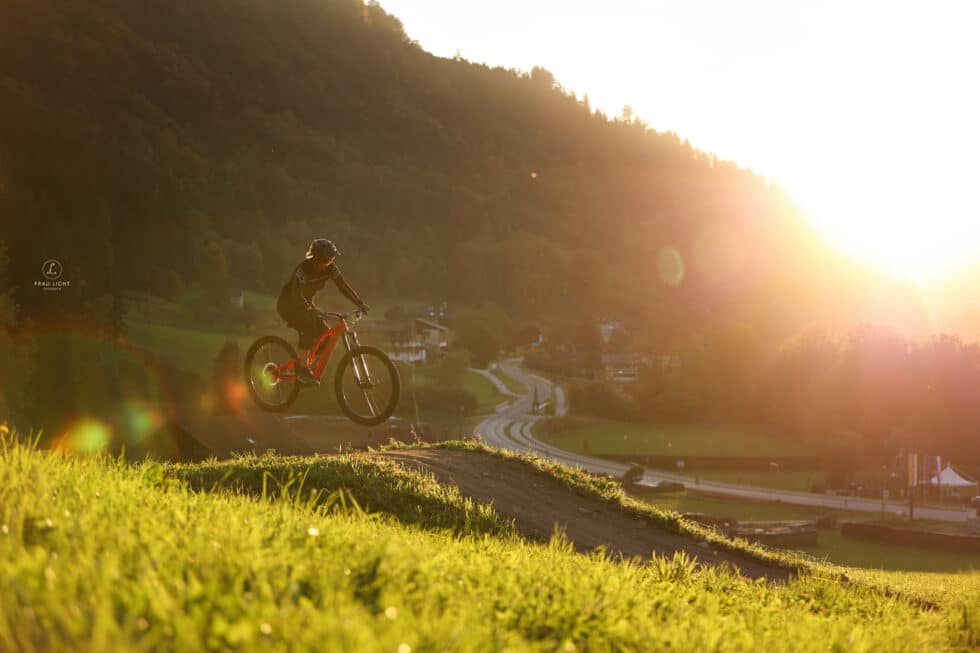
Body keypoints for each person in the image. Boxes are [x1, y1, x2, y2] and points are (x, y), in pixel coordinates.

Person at [276, 238, 369, 385]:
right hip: (289, 305)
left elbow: (343, 286)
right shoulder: (303, 270)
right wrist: (309, 308)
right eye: (326, 260)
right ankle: (302, 369)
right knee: (307, 326)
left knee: (325, 338)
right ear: (315, 259)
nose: (329, 263)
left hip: (307, 306)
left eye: (331, 259)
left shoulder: (331, 268)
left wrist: (360, 303)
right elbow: (296, 294)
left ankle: (307, 369)